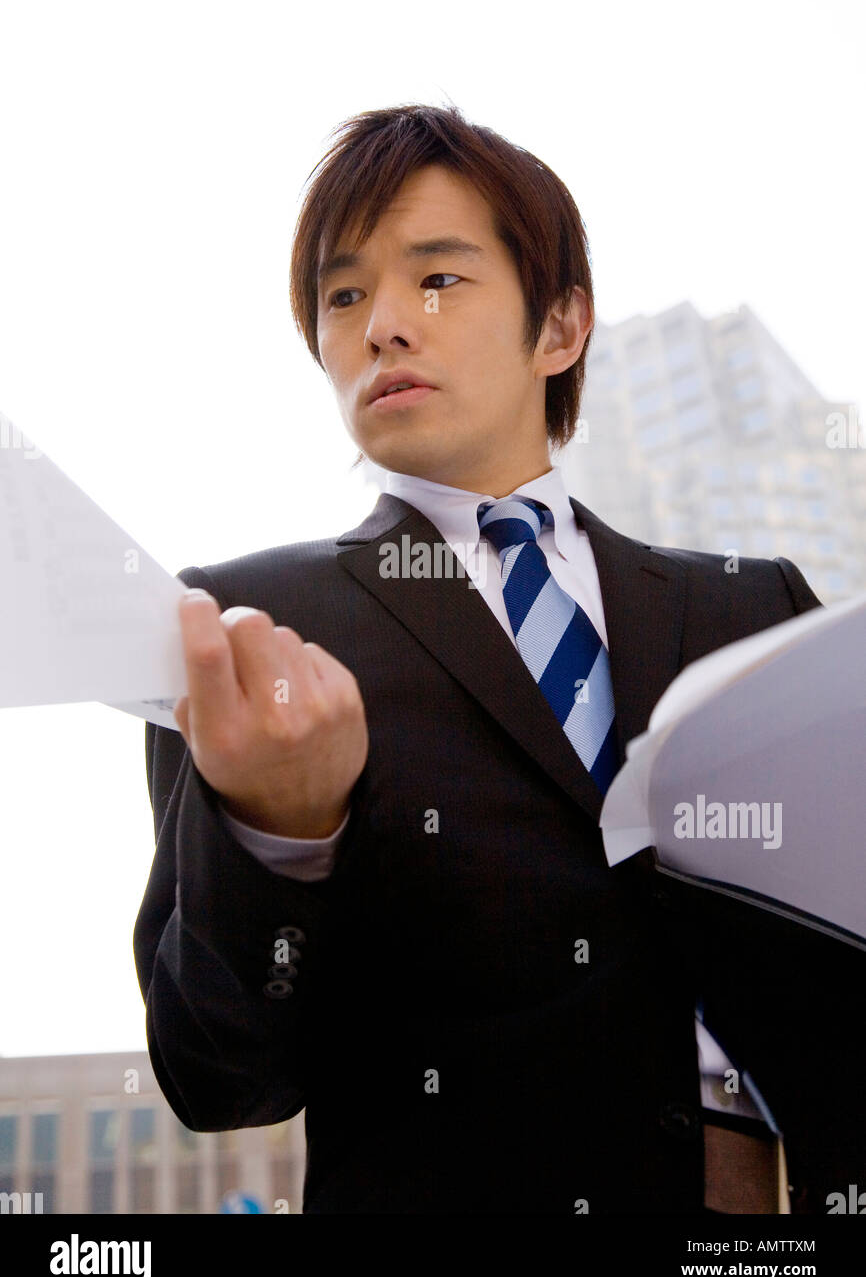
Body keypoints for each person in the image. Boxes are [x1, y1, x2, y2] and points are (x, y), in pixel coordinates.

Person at [134, 103, 865, 1214]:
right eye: (342, 296)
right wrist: (276, 835)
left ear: (559, 326)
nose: (383, 324)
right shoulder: (243, 629)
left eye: (437, 279)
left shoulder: (756, 607)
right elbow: (219, 1078)